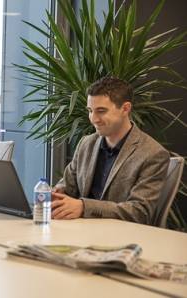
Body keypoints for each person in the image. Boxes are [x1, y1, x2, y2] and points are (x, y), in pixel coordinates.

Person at [52, 77, 169, 224]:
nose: (93, 119)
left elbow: (139, 212)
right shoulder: (86, 144)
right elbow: (67, 186)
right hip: (80, 233)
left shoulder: (153, 154)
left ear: (125, 109)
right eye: (90, 111)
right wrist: (55, 195)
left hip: (120, 240)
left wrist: (84, 207)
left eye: (101, 111)